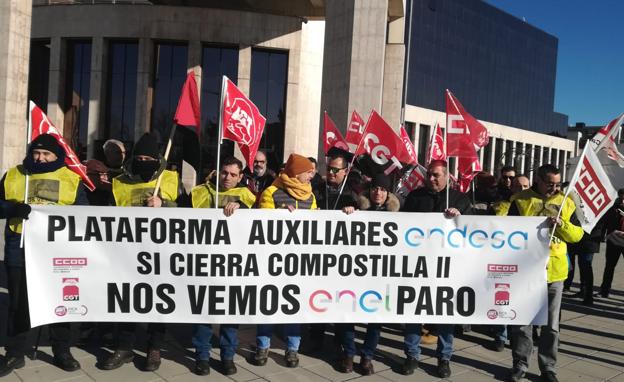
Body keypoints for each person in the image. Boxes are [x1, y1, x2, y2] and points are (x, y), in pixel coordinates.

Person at [0, 134, 89, 377]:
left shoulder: (71, 179)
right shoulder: (15, 174)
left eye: (46, 154)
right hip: (19, 247)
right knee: (19, 303)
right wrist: (12, 208)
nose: (39, 158)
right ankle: (16, 352)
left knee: (60, 300)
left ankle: (62, 350)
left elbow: (84, 215)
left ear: (57, 156)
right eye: (36, 153)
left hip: (57, 250)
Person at [100, 132, 182, 372]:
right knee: (127, 300)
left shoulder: (171, 180)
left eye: (149, 158)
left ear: (158, 159)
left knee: (158, 301)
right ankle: (124, 347)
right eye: (140, 157)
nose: (144, 162)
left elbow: (189, 212)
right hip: (128, 253)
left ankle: (154, 348)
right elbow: (107, 216)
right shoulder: (120, 183)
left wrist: (165, 204)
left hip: (161, 253)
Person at [504, 164, 583, 382]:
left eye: (557, 184)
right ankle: (520, 364)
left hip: (555, 273)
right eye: (550, 184)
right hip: (526, 271)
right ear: (537, 179)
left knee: (552, 326)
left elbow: (577, 235)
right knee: (522, 323)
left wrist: (562, 225)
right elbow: (507, 232)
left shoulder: (566, 200)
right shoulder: (520, 200)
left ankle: (548, 368)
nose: (555, 188)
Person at [400, 160, 472, 378]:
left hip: (447, 269)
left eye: (436, 175)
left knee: (444, 315)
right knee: (412, 312)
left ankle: (444, 358)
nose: (431, 179)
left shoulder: (460, 199)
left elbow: (473, 232)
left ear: (447, 176)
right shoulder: (415, 197)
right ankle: (412, 355)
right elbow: (401, 226)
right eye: (429, 175)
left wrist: (460, 217)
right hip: (418, 266)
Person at [190, 156, 256, 376]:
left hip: (235, 265)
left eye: (233, 174)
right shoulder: (201, 191)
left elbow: (262, 220)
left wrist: (243, 207)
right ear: (217, 172)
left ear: (240, 176)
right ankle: (202, 356)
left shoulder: (247, 195)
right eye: (224, 172)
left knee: (231, 313)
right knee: (204, 313)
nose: (228, 178)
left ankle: (228, 356)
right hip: (205, 263)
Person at [251, 154, 316, 368]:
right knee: (267, 305)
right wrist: (279, 216)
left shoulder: (310, 196)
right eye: (308, 172)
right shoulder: (272, 191)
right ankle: (262, 347)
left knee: (293, 307)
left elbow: (315, 226)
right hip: (272, 262)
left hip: (298, 263)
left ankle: (292, 349)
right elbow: (262, 223)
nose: (311, 175)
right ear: (297, 173)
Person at [338, 174, 399, 375]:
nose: (378, 192)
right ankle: (348, 354)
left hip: (381, 275)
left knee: (375, 319)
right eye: (375, 188)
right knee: (348, 316)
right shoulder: (357, 208)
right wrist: (348, 213)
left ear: (388, 193)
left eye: (382, 189)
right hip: (356, 274)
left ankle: (367, 357)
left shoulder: (398, 215)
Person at [597, 188, 624, 298]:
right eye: (621, 197)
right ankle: (604, 291)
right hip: (613, 241)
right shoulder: (612, 207)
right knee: (609, 267)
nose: (622, 201)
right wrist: (603, 234)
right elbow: (605, 221)